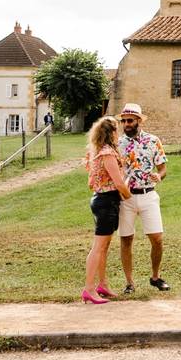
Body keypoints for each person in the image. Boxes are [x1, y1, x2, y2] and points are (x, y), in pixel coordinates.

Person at [116, 103, 170, 293]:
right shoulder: (118, 143)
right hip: (126, 198)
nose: (126, 124)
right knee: (126, 239)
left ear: (139, 121)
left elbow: (163, 168)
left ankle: (155, 277)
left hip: (148, 195)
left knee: (157, 238)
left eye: (130, 120)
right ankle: (129, 283)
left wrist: (159, 175)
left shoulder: (153, 141)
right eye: (123, 121)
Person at [82, 116, 131, 304]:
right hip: (106, 202)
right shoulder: (108, 153)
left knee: (103, 247)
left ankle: (102, 285)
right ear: (111, 132)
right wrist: (128, 196)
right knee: (98, 247)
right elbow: (118, 182)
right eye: (116, 130)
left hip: (102, 199)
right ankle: (88, 288)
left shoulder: (96, 150)